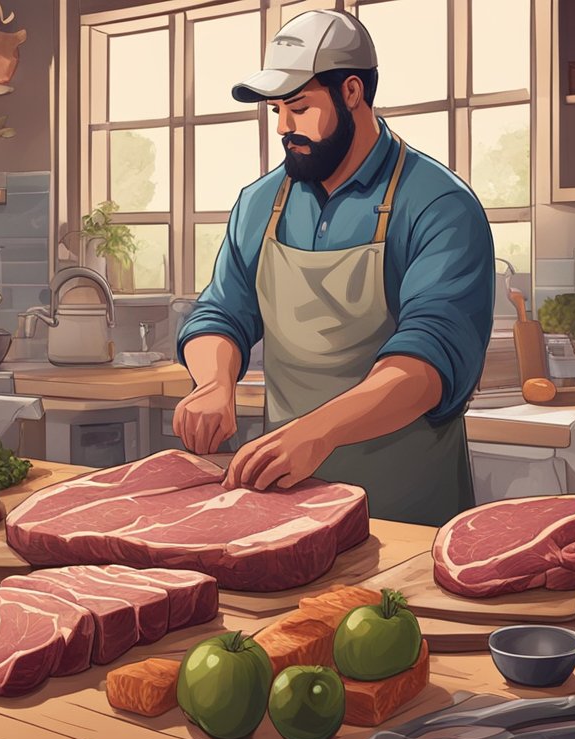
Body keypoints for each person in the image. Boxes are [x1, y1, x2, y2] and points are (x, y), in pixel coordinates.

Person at [173, 9, 495, 526]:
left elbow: (430, 362)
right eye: (276, 110)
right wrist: (213, 382)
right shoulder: (260, 203)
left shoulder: (439, 204)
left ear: (351, 92)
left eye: (299, 108)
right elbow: (221, 314)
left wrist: (317, 431)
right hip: (287, 502)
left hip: (404, 507)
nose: (283, 127)